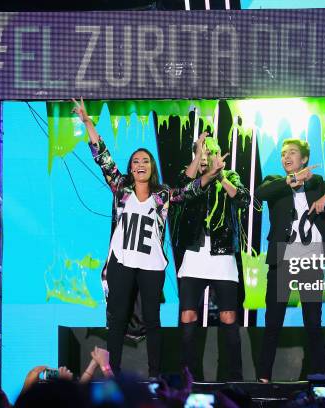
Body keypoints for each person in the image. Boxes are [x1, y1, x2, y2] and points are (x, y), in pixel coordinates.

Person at [71, 98, 224, 378]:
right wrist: (87, 122)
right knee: (117, 320)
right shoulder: (120, 187)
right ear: (130, 168)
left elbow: (188, 191)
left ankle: (155, 375)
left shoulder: (162, 194)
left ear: (152, 167)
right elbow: (102, 156)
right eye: (135, 161)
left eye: (145, 161)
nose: (140, 164)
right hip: (122, 261)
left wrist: (211, 175)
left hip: (152, 265)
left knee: (153, 321)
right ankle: (112, 373)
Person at [254, 138, 325, 383]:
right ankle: (263, 378)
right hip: (282, 261)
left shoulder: (317, 183)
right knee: (273, 322)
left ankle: (318, 379)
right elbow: (261, 194)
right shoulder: (275, 183)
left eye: (292, 153)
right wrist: (293, 181)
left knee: (313, 322)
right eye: (283, 154)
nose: (286, 157)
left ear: (304, 160)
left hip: (310, 261)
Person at [174, 133, 250, 381]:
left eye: (209, 152)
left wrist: (222, 176)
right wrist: (199, 161)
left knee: (229, 316)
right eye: (200, 152)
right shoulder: (191, 175)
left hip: (223, 254)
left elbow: (244, 199)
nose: (205, 156)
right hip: (194, 254)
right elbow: (182, 193)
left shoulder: (231, 177)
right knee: (188, 315)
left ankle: (234, 378)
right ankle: (188, 376)